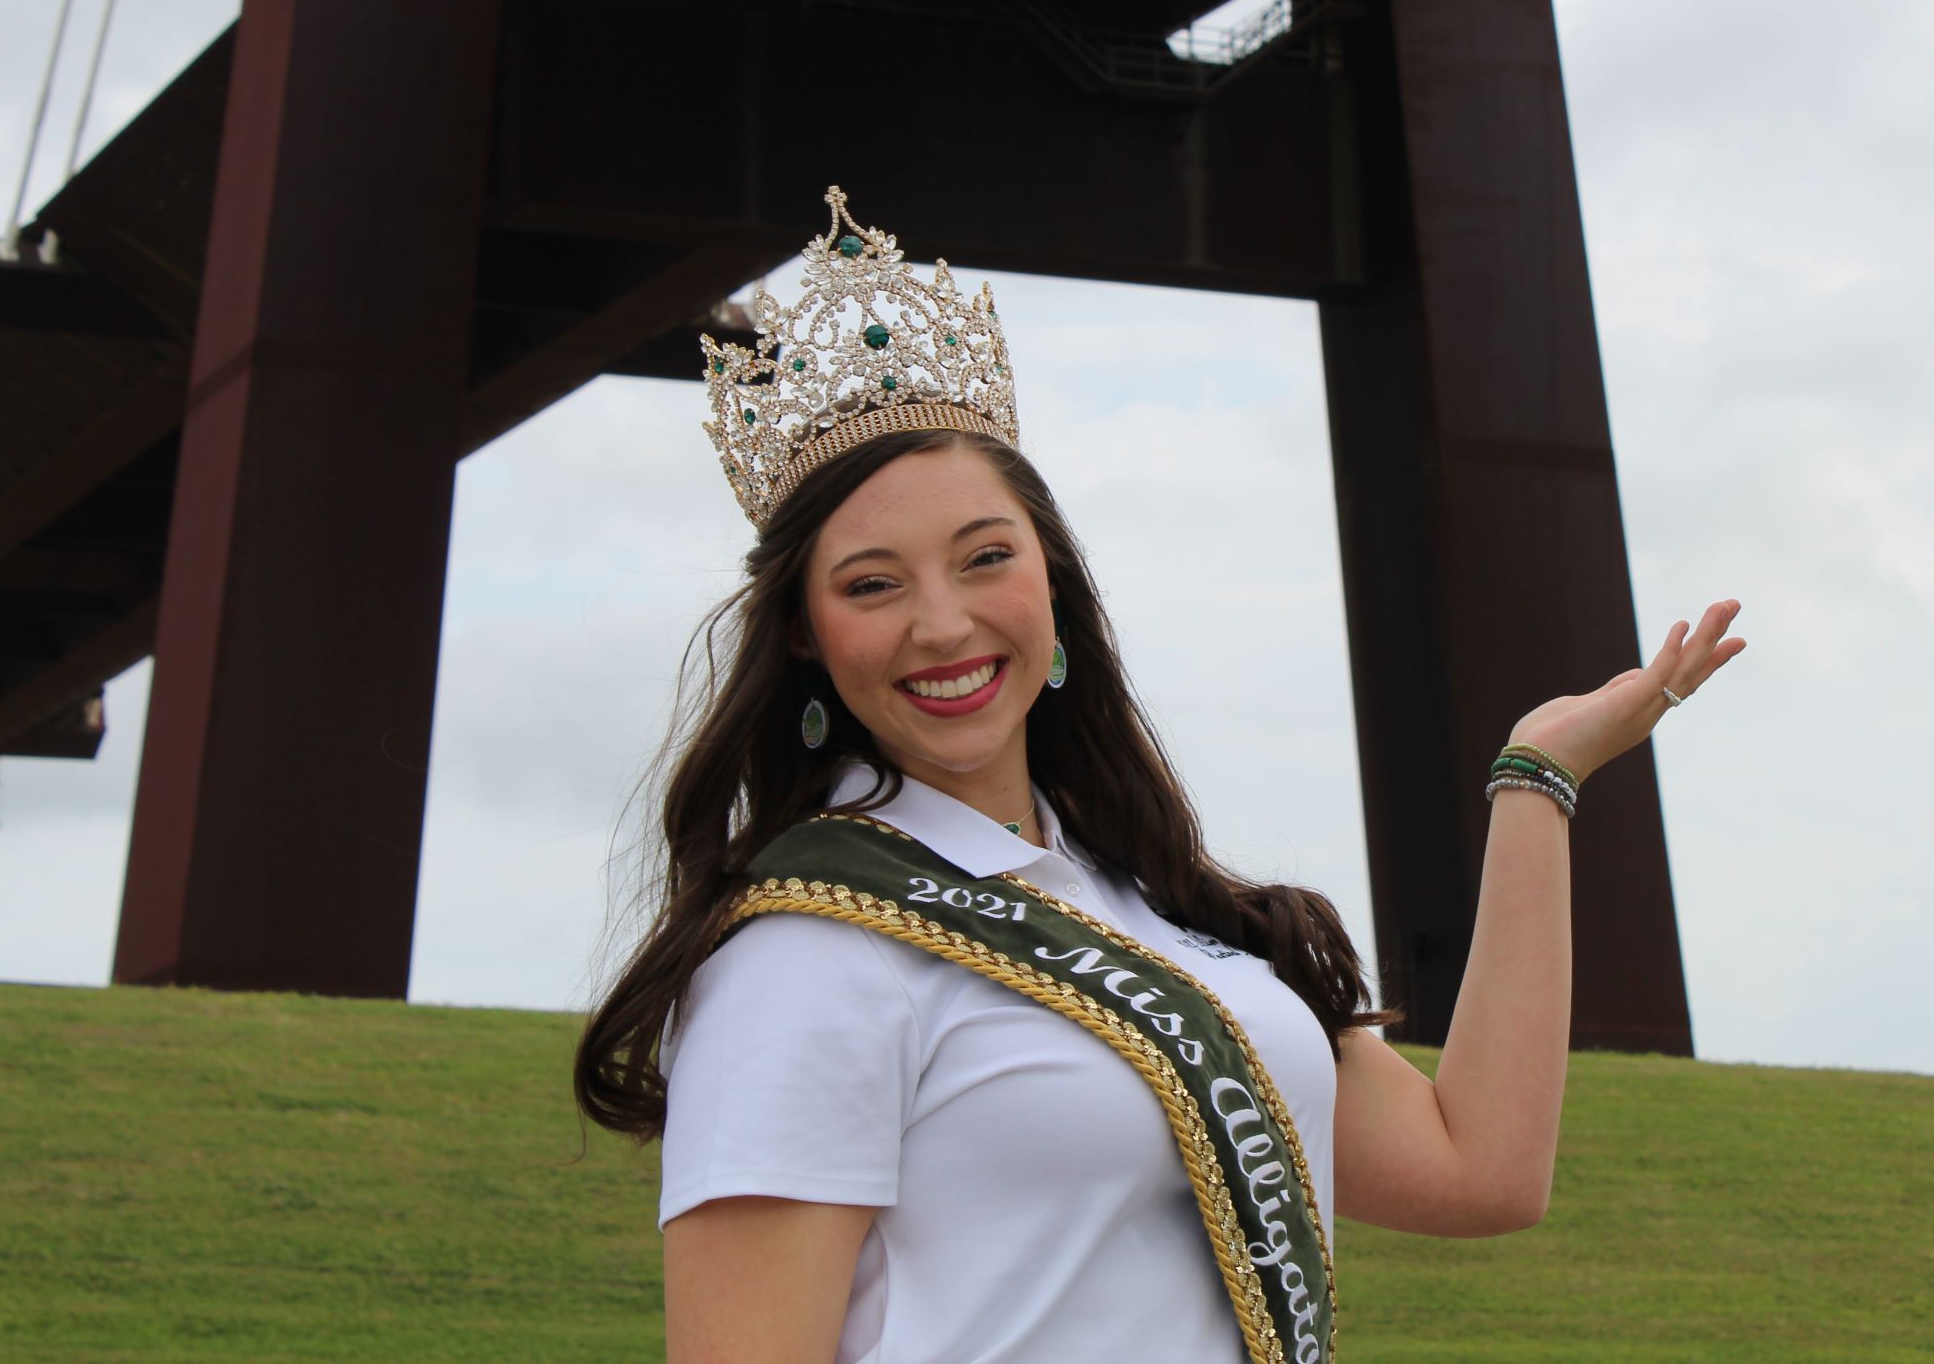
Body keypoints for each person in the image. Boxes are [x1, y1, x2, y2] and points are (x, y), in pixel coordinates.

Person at [573, 186, 1747, 1364]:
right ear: (805, 636)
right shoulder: (807, 956)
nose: (944, 623)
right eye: (873, 584)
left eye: (987, 558)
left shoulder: (1158, 914)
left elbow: (1478, 1167)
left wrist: (1537, 779)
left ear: (1053, 581)